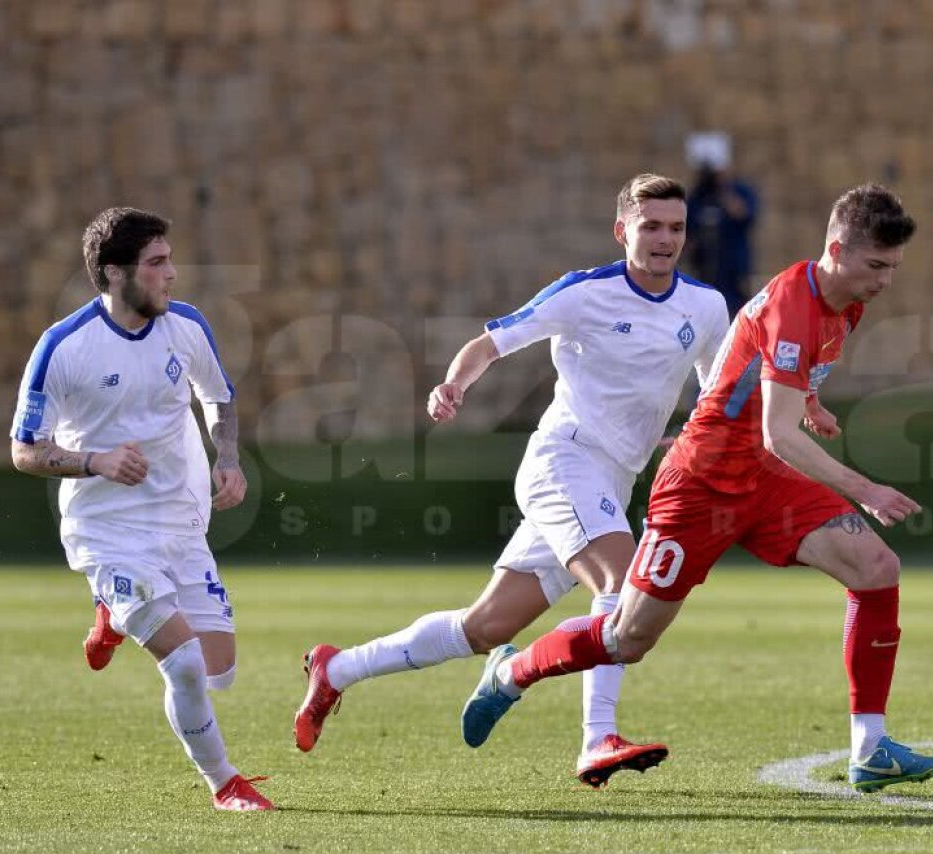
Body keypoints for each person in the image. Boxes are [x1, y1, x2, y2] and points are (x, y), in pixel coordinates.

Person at [461, 183, 933, 793]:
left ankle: (871, 748)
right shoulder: (792, 305)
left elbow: (781, 379)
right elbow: (778, 434)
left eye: (893, 268)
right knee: (626, 638)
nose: (884, 280)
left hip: (762, 479)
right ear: (836, 249)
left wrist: (814, 403)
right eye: (876, 265)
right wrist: (865, 489)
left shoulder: (847, 299)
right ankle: (512, 674)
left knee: (876, 566)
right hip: (699, 485)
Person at [294, 173, 732, 788]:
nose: (664, 239)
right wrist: (453, 385)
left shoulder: (706, 307)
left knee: (485, 628)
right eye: (650, 226)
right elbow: (490, 343)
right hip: (564, 461)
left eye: (675, 228)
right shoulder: (584, 294)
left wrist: (688, 434)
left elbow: (715, 393)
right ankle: (597, 738)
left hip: (613, 481)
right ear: (621, 231)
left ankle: (337, 670)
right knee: (622, 581)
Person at [10, 207, 272, 812]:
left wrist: (227, 458)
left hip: (181, 521)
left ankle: (113, 617)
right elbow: (25, 451)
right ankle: (225, 783)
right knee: (182, 663)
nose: (172, 274)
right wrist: (95, 461)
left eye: (169, 260)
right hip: (109, 532)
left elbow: (220, 399)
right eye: (157, 264)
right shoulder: (63, 347)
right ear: (114, 274)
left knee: (218, 670)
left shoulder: (187, 326)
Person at [686, 148, 759, 321]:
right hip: (705, 267)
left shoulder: (740, 191)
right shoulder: (698, 195)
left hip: (735, 268)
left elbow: (745, 216)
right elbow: (687, 228)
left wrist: (724, 189)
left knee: (736, 315)